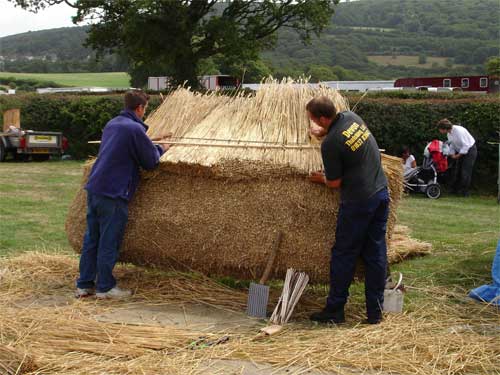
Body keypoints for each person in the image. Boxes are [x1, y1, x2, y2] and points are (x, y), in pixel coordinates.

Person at [75, 90, 170, 299]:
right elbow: (150, 161)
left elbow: (125, 147)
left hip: (95, 188)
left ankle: (84, 285)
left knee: (92, 238)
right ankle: (105, 288)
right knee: (109, 240)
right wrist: (162, 148)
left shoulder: (113, 124)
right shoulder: (134, 129)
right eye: (145, 109)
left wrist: (150, 142)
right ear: (139, 108)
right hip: (114, 191)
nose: (144, 113)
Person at [307, 96, 389, 325]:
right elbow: (346, 139)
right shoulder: (352, 118)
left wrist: (318, 178)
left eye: (313, 119)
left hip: (359, 201)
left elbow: (334, 183)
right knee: (375, 254)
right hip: (381, 192)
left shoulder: (330, 144)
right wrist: (324, 132)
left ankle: (335, 309)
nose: (312, 123)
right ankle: (375, 312)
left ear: (322, 118)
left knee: (344, 254)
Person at [437, 118, 476, 196]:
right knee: (457, 171)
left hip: (470, 150)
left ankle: (465, 192)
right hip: (460, 151)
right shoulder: (449, 134)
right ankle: (455, 190)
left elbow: (466, 145)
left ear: (445, 128)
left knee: (465, 172)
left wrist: (458, 155)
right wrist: (451, 154)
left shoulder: (459, 131)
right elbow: (452, 145)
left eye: (440, 129)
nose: (439, 131)